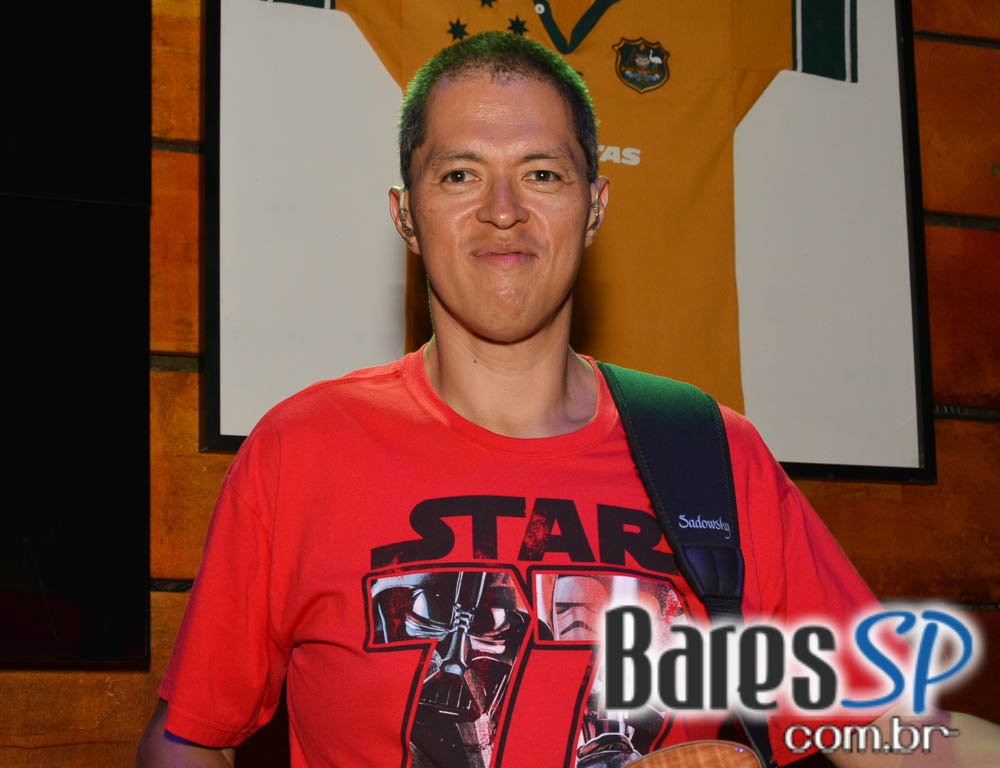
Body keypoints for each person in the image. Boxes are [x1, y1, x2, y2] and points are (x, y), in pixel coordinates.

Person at [137, 32, 998, 768]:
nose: (503, 211)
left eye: (543, 173)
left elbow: (889, 729)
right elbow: (187, 741)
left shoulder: (710, 452)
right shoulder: (303, 448)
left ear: (594, 207)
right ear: (406, 216)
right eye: (460, 174)